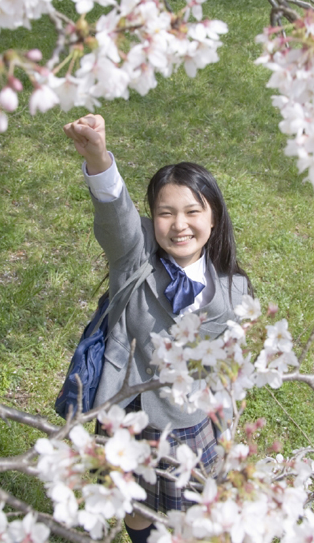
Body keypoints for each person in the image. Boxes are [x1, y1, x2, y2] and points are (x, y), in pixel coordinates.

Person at [64, 114, 253, 543]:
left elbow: (230, 363)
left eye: (192, 212)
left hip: (187, 420)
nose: (179, 224)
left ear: (215, 219)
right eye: (165, 213)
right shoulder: (135, 259)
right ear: (151, 219)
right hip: (126, 410)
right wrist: (98, 157)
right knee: (134, 505)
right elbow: (115, 215)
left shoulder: (233, 289)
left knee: (188, 509)